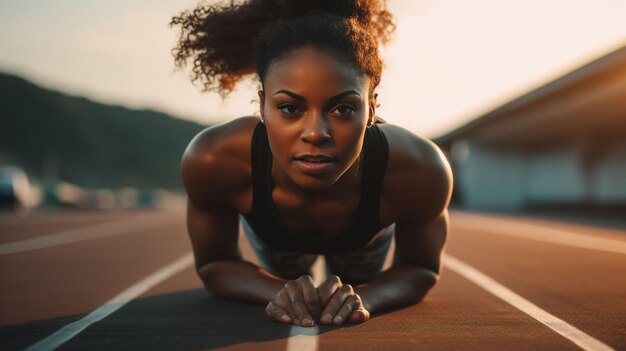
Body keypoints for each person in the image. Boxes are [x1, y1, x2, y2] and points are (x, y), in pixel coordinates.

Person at [171, 0, 452, 328]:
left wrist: (365, 297)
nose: (316, 133)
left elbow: (421, 268)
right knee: (290, 277)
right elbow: (214, 264)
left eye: (343, 109)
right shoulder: (213, 160)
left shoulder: (419, 170)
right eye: (290, 108)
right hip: (277, 246)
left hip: (364, 244)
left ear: (372, 109)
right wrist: (277, 290)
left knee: (352, 278)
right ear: (262, 106)